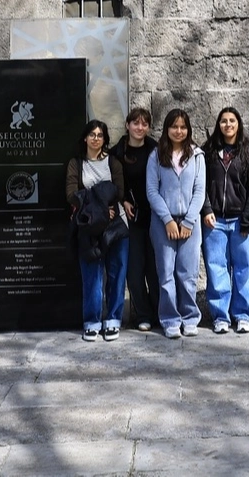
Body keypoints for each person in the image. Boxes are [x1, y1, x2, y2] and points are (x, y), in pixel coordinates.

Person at [201, 107, 249, 334]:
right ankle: (220, 316)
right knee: (216, 268)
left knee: (244, 269)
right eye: (223, 121)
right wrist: (206, 209)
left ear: (238, 123)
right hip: (214, 221)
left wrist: (248, 219)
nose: (227, 125)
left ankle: (243, 315)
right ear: (218, 125)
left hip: (242, 221)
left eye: (232, 120)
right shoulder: (208, 151)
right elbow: (200, 184)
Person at [145, 109, 207, 339]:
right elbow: (152, 191)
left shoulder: (197, 156)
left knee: (188, 273)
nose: (178, 131)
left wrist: (189, 221)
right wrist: (168, 220)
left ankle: (190, 317)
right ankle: (170, 319)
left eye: (183, 127)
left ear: (188, 129)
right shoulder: (156, 155)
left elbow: (199, 190)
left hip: (190, 222)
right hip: (163, 222)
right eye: (174, 127)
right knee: (166, 274)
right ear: (167, 129)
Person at [65, 119, 129, 342]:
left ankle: (113, 319)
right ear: (85, 138)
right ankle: (91, 321)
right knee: (91, 275)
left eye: (100, 135)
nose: (96, 138)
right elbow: (71, 194)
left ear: (105, 139)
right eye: (92, 134)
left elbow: (119, 192)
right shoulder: (76, 163)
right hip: (89, 226)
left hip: (116, 225)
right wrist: (100, 208)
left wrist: (95, 199)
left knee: (116, 273)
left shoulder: (113, 162)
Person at [110, 108, 159, 332]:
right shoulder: (117, 152)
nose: (140, 128)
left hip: (156, 217)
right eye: (136, 123)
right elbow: (111, 184)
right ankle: (142, 314)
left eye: (144, 124)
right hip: (131, 219)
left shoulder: (156, 149)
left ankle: (159, 311)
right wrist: (122, 201)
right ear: (127, 125)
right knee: (135, 270)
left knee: (156, 268)